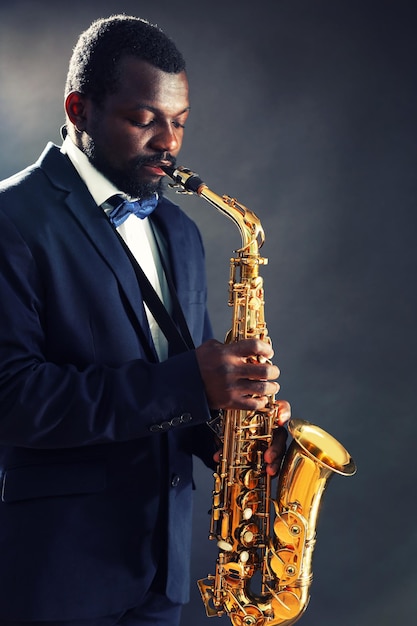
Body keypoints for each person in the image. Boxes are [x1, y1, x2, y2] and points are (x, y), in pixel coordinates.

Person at [0, 14, 290, 626]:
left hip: (160, 578)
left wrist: (240, 424)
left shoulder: (179, 232)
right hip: (55, 578)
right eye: (145, 119)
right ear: (80, 109)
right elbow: (15, 397)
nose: (171, 142)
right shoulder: (12, 219)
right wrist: (193, 382)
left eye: (180, 122)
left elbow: (182, 389)